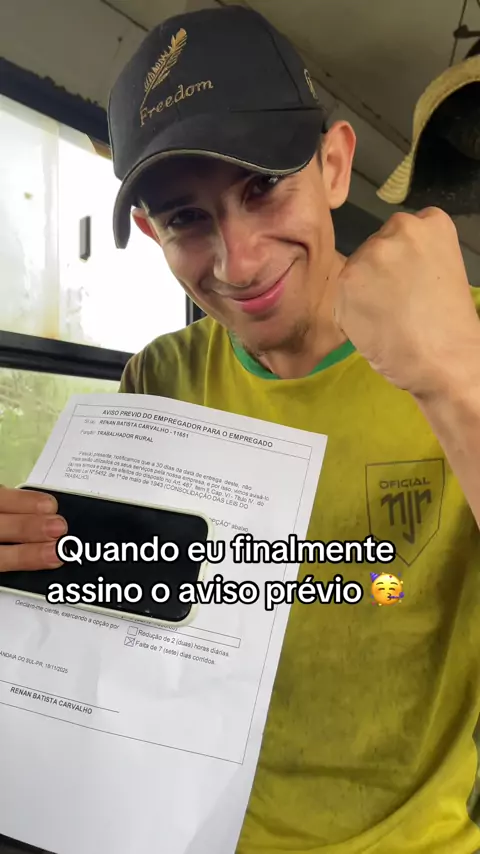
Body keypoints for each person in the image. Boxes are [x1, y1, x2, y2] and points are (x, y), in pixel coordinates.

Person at [1, 5, 480, 853]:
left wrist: (455, 381)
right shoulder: (160, 379)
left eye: (263, 186)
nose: (240, 261)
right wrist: (28, 575)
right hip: (193, 832)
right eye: (187, 218)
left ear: (334, 166)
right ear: (151, 232)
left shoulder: (463, 338)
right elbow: (126, 622)